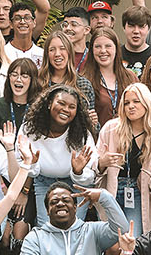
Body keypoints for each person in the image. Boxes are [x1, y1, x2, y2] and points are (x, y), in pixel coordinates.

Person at [19, 84, 99, 227]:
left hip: (75, 184)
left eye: (71, 107)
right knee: (47, 229)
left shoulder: (82, 134)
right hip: (44, 181)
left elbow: (90, 177)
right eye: (61, 103)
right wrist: (32, 164)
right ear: (49, 103)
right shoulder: (30, 128)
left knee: (74, 230)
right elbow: (22, 164)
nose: (65, 110)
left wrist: (78, 172)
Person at [96, 83, 151, 230]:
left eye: (136, 101)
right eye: (127, 103)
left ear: (147, 103)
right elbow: (94, 167)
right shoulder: (110, 128)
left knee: (132, 240)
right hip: (111, 189)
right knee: (111, 241)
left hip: (137, 192)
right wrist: (102, 163)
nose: (131, 106)